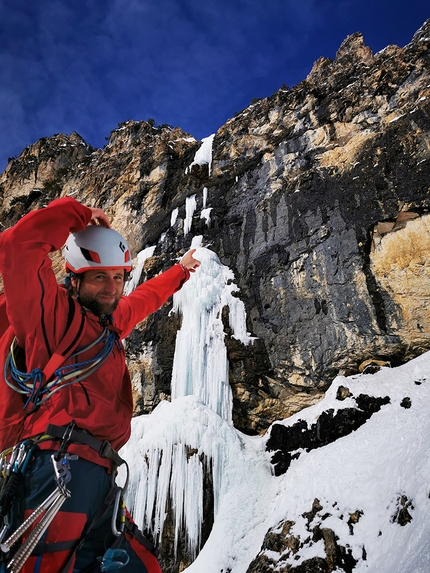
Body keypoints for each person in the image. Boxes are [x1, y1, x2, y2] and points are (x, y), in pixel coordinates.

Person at [0, 196, 200, 572]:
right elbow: (17, 245)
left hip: (101, 480)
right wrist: (76, 215)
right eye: (99, 277)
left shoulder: (108, 325)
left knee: (143, 566)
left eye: (118, 277)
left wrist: (180, 271)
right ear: (74, 280)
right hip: (55, 468)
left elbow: (144, 299)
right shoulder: (51, 318)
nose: (112, 288)